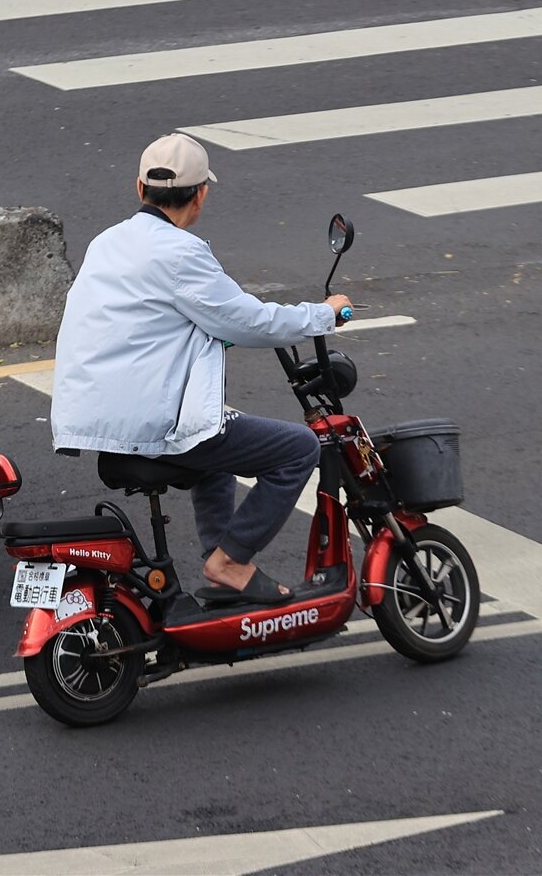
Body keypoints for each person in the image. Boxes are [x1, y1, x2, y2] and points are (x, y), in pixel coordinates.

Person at [51, 133, 353, 605]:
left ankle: (220, 561)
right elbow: (249, 320)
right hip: (148, 422)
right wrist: (324, 315)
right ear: (201, 195)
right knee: (298, 449)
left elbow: (146, 320)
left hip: (97, 421)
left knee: (214, 435)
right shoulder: (180, 252)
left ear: (139, 188)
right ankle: (229, 561)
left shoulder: (107, 242)